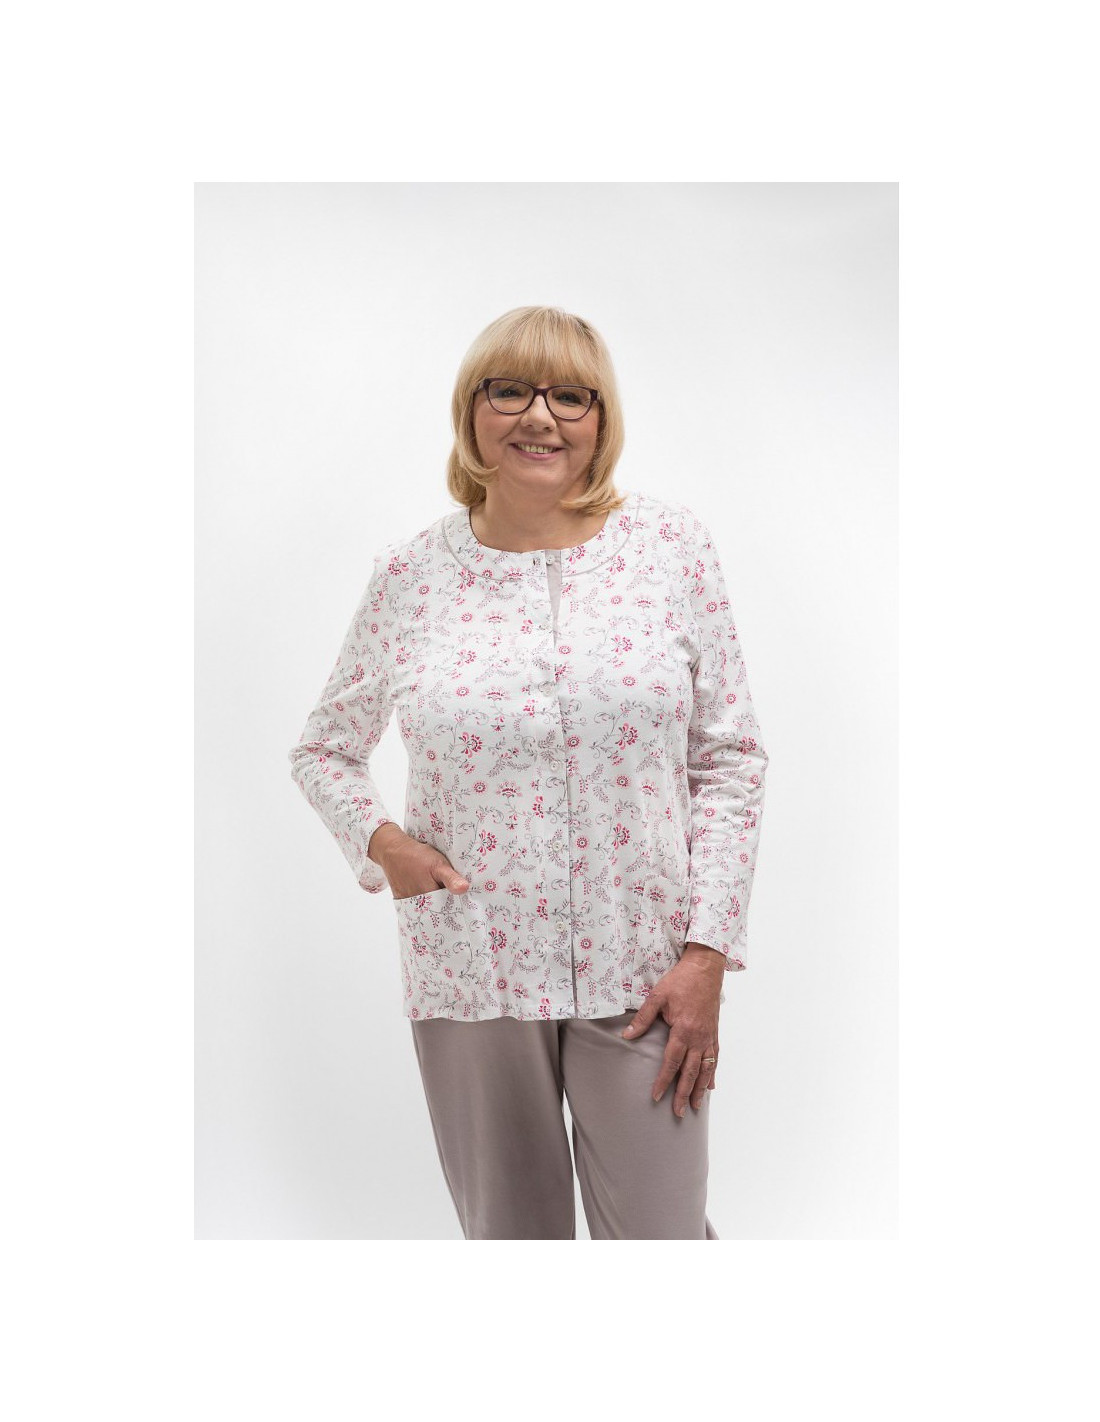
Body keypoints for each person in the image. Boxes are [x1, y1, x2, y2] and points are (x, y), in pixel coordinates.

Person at [288, 305, 768, 1239]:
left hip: (645, 967)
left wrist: (707, 954)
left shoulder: (670, 550)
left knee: (662, 1239)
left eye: (570, 397)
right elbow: (324, 747)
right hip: (472, 965)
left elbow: (729, 758)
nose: (539, 416)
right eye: (509, 390)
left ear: (601, 419)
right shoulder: (411, 576)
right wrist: (383, 844)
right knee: (510, 1240)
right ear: (471, 412)